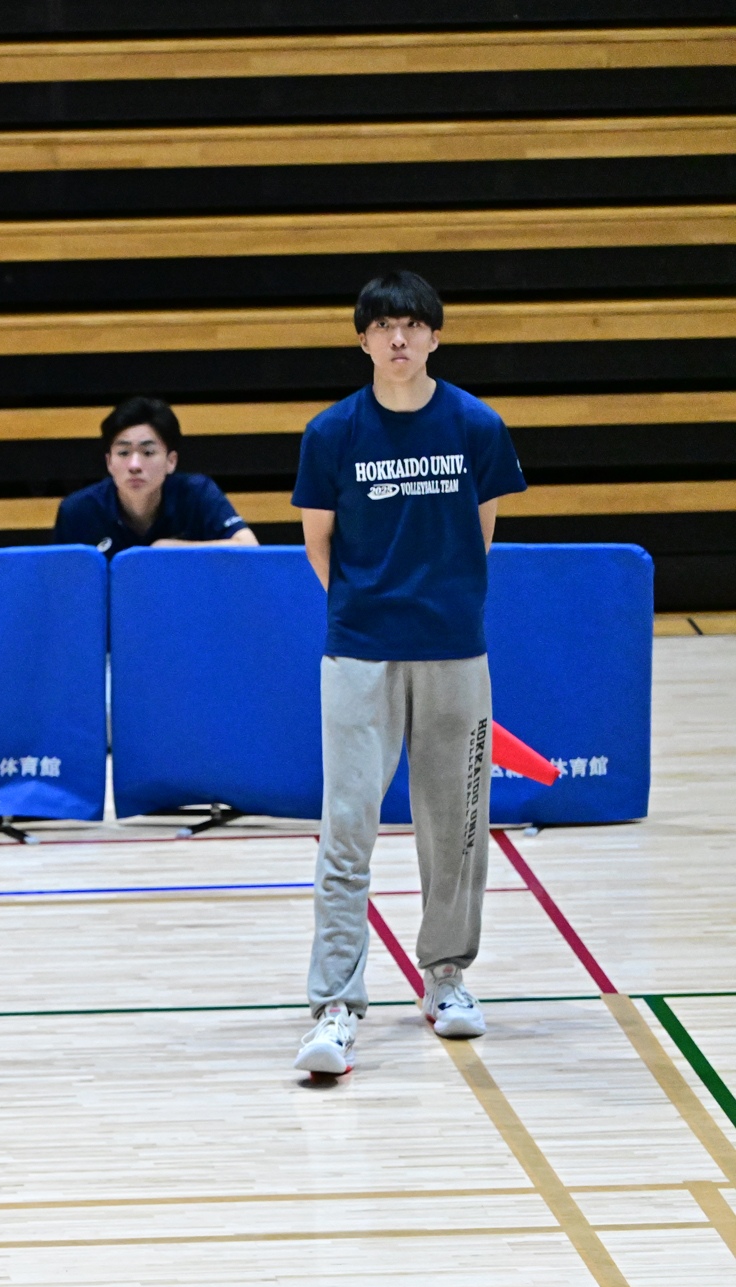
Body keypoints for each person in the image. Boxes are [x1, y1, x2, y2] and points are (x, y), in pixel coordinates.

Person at [290, 271, 526, 1078]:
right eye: (384, 326)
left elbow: (479, 535)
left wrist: (435, 607)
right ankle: (335, 1004)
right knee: (348, 824)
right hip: (359, 652)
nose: (399, 338)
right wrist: (372, 611)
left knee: (456, 825)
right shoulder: (330, 434)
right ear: (363, 340)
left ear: (435, 336)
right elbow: (318, 544)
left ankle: (446, 977)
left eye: (413, 325)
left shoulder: (476, 426)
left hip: (456, 651)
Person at [51, 397, 257, 553]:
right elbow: (60, 583)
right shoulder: (77, 511)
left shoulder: (197, 494)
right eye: (123, 453)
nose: (134, 465)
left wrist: (170, 550)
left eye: (148, 453)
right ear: (109, 462)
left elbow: (249, 547)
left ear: (171, 461)